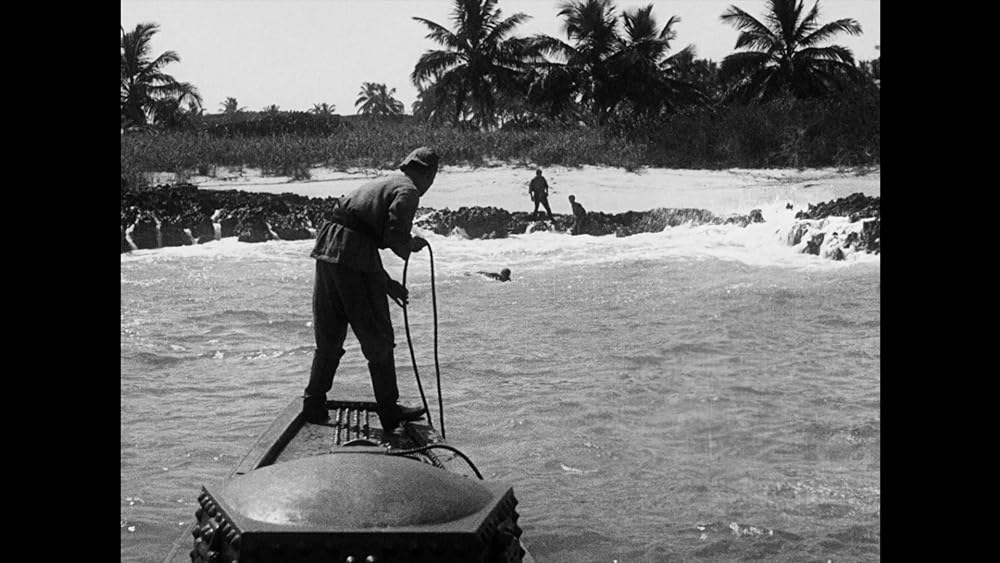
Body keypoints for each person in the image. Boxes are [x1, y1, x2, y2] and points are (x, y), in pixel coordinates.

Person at [303, 146, 439, 434]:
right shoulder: (409, 190)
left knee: (330, 332)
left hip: (328, 246)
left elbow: (362, 238)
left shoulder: (385, 181)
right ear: (429, 174)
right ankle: (389, 412)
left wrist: (388, 284)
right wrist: (409, 244)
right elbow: (391, 233)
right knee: (378, 337)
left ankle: (313, 403)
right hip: (352, 251)